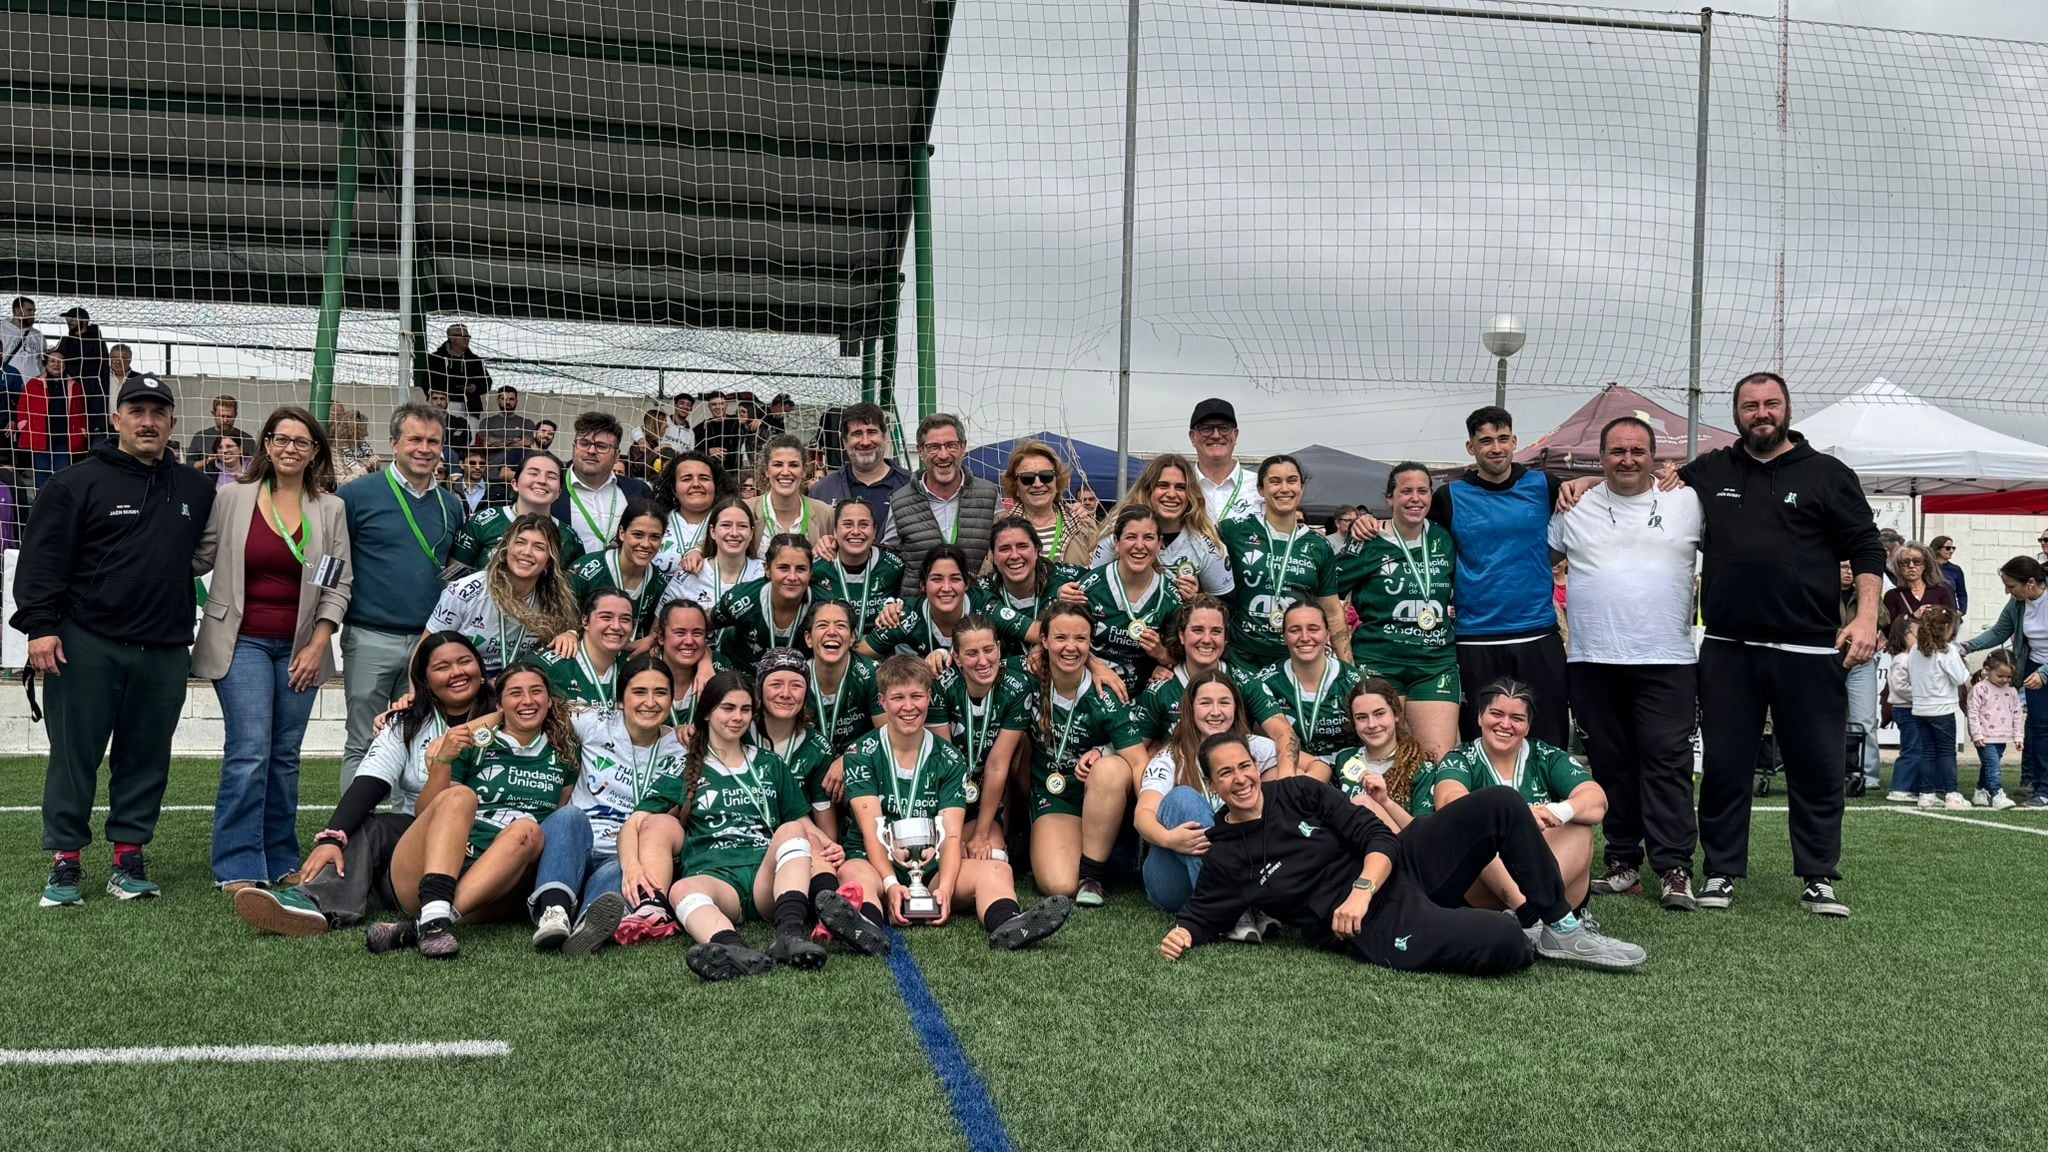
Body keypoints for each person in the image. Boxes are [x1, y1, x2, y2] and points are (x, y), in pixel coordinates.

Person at [1665, 372, 1882, 918]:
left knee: (1817, 766)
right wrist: (1577, 485)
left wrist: (1867, 618)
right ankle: (1720, 872)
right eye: (1750, 405)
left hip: (1808, 650)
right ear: (1736, 412)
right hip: (1728, 647)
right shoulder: (1709, 470)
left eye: (1770, 404)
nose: (1761, 413)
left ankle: (1818, 877)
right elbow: (1654, 481)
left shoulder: (1829, 475)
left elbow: (1866, 547)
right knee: (1726, 765)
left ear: (1787, 409)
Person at [1160, 733, 1646, 974]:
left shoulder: (1298, 792)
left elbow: (1379, 836)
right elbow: (1204, 913)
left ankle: (1561, 926)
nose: (1240, 778)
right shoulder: (1225, 853)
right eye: (1225, 774)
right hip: (1372, 926)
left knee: (1500, 803)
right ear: (1213, 784)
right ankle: (1517, 931)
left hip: (1394, 869)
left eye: (1244, 765)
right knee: (1507, 943)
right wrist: (1183, 934)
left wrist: (1362, 889)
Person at [14, 372, 215, 908]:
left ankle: (128, 858)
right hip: (87, 643)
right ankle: (66, 862)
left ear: (172, 422)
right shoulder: (74, 483)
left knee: (146, 757)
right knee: (74, 755)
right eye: (137, 411)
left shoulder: (197, 488)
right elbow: (41, 561)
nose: (148, 421)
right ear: (116, 418)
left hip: (166, 647)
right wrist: (40, 627)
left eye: (158, 412)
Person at [232, 633, 494, 937]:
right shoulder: (405, 723)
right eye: (442, 667)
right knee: (368, 827)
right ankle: (312, 902)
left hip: (494, 835)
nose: (457, 673)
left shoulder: (510, 713)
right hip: (422, 836)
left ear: (480, 666)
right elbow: (371, 781)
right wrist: (332, 838)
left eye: (465, 662)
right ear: (423, 678)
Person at [1545, 417, 1703, 910]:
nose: (1628, 459)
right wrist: (1581, 483)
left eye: (1638, 450)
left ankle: (1675, 867)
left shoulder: (1689, 501)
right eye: (1617, 451)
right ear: (1602, 456)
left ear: (1656, 456)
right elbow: (1540, 557)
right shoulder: (1574, 505)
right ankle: (1622, 864)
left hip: (1668, 660)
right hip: (1593, 659)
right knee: (1611, 768)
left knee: (1666, 764)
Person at [192, 407, 352, 892]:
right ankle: (239, 865)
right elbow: (200, 556)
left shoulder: (329, 509)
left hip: (302, 648)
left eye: (302, 442)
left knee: (284, 755)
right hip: (240, 643)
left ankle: (281, 856)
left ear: (315, 453)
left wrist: (319, 640)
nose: (289, 448)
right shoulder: (233, 498)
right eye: (281, 439)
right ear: (265, 445)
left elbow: (336, 580)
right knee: (250, 751)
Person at [814, 655, 1072, 954]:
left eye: (917, 696)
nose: (908, 707)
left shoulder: (949, 757)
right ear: (882, 701)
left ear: (929, 698)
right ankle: (865, 925)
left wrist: (945, 890)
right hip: (875, 860)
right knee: (853, 874)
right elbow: (872, 829)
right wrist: (889, 883)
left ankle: (1008, 924)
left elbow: (951, 833)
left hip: (932, 863)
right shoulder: (861, 752)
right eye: (898, 698)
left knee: (996, 871)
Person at [614, 670, 833, 979]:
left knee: (792, 830)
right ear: (706, 712)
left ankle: (789, 935)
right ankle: (732, 949)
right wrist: (632, 865)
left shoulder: (769, 764)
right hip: (716, 878)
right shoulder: (684, 765)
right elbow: (635, 823)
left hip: (765, 878)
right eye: (728, 708)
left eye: (745, 710)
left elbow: (801, 821)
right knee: (682, 888)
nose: (737, 717)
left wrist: (826, 843)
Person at [367, 660, 577, 958]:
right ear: (499, 703)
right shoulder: (474, 744)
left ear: (549, 699)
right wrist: (444, 761)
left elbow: (558, 819)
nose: (528, 701)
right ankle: (434, 910)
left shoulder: (564, 752)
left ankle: (430, 924)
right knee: (461, 796)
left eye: (536, 691)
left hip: (493, 886)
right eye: (515, 693)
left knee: (529, 829)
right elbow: (426, 811)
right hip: (430, 868)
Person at [338, 402, 462, 790]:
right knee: (364, 742)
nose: (424, 449)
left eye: (433, 441)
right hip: (371, 637)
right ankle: (354, 841)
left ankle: (402, 840)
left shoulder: (452, 505)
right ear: (393, 443)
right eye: (415, 440)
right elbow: (335, 562)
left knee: (416, 744)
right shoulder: (356, 496)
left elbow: (452, 572)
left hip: (428, 644)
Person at [529, 654, 685, 956]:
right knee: (568, 816)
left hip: (624, 851)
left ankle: (589, 926)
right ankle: (554, 914)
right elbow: (532, 709)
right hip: (576, 842)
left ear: (672, 699)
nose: (650, 702)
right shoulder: (594, 722)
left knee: (623, 870)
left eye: (660, 693)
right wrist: (471, 731)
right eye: (639, 692)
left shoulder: (681, 749)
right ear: (621, 700)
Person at [1430, 679, 1610, 916]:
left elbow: (1597, 801)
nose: (1505, 724)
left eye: (1517, 718)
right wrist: (1516, 818)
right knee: (1477, 828)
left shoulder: (1546, 755)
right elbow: (1448, 802)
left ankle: (1535, 910)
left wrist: (1558, 811)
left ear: (1528, 725)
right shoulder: (1460, 758)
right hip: (1486, 889)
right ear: (1479, 717)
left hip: (1552, 871)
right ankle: (1533, 912)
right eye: (1496, 714)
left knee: (1579, 827)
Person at [1027, 601, 1149, 906]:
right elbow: (980, 665)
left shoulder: (1108, 690)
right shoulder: (1025, 676)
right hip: (1055, 796)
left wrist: (1151, 825)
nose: (1071, 647)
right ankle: (1108, 855)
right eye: (1061, 638)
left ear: (1090, 643)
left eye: (1080, 639)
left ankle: (1094, 873)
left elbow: (1138, 762)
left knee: (1111, 768)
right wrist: (941, 656)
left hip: (1101, 794)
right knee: (1058, 884)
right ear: (1043, 640)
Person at [1336, 461, 1459, 759]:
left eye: (1422, 491)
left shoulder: (1443, 538)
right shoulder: (1368, 539)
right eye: (1406, 491)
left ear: (1431, 496)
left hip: (1434, 664)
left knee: (1436, 757)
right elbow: (1329, 591)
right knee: (1384, 757)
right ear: (1389, 497)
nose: (1415, 498)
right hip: (1380, 661)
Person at [1135, 670, 1277, 918]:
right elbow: (1143, 816)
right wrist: (1170, 839)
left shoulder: (1259, 749)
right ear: (1189, 709)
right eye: (1205, 703)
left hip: (1246, 863)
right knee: (1184, 798)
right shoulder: (1169, 757)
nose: (1215, 712)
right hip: (1175, 879)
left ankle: (1240, 904)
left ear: (1236, 707)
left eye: (1224, 702)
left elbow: (1313, 766)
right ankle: (1233, 909)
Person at [1130, 595, 1294, 767]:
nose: (1207, 639)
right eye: (1198, 630)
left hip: (1237, 781)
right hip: (1181, 781)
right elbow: (1136, 753)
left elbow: (1284, 734)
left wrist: (1287, 780)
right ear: (1182, 635)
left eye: (1216, 631)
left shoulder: (1245, 682)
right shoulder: (1160, 688)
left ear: (1225, 637)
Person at [1218, 454, 1346, 673]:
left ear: (1301, 488)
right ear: (1261, 489)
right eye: (1275, 481)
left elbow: (1333, 612)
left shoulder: (1318, 545)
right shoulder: (1233, 531)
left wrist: (1346, 668)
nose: (1284, 488)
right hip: (1243, 659)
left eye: (1292, 480)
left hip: (1296, 661)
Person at [928, 615, 1032, 862]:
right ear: (957, 657)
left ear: (998, 648)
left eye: (988, 650)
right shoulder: (941, 684)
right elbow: (946, 763)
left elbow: (997, 764)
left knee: (992, 856)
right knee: (951, 856)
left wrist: (981, 835)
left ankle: (1012, 831)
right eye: (972, 653)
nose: (983, 661)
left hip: (989, 789)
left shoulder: (1016, 687)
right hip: (944, 792)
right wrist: (953, 834)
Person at [426, 513, 579, 677]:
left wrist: (570, 634)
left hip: (515, 686)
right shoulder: (465, 591)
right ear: (505, 549)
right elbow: (426, 650)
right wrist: (414, 693)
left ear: (549, 561)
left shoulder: (552, 598)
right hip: (463, 681)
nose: (527, 552)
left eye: (539, 547)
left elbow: (568, 630)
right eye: (520, 542)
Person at [1961, 555, 2048, 808]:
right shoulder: (2017, 604)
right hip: (2033, 667)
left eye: (2011, 586)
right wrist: (1968, 646)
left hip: (2042, 672)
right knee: (2041, 730)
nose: (2007, 591)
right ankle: (2043, 789)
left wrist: (2044, 674)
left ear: (2031, 583)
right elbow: (2000, 631)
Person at [1091, 453, 1234, 598]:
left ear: (1191, 494)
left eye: (1180, 487)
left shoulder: (1205, 544)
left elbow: (1225, 603)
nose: (1171, 494)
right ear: (1148, 490)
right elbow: (1089, 589)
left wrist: (1197, 599)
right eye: (1163, 485)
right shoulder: (1117, 531)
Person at [1073, 507, 1185, 688]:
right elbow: (1067, 640)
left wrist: (1160, 652)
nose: (1139, 545)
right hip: (1091, 684)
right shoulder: (1090, 586)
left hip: (1143, 687)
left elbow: (1179, 657)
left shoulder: (1170, 598)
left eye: (1148, 538)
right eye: (1131, 537)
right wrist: (1096, 667)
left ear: (1159, 543)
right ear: (1116, 542)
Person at [886, 414, 1001, 586]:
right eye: (933, 447)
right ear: (921, 451)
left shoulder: (990, 495)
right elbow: (887, 561)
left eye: (951, 446)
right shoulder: (899, 502)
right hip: (919, 608)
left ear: (963, 448)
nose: (943, 454)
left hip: (977, 606)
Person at [1254, 603, 1363, 775]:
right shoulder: (1266, 683)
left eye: (1313, 629)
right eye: (1295, 630)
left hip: (1351, 773)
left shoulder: (1354, 682)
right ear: (1284, 636)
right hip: (1297, 774)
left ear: (1327, 634)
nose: (1305, 637)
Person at [448, 449, 583, 575]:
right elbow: (453, 580)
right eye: (533, 473)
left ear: (559, 492)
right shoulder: (481, 523)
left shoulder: (569, 537)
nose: (542, 481)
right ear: (515, 484)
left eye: (551, 477)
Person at [749, 647, 838, 832]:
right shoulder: (739, 733)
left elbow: (826, 825)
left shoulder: (817, 747)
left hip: (796, 844)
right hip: (743, 840)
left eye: (796, 685)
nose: (785, 693)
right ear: (759, 690)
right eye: (776, 684)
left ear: (806, 694)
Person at [1330, 678, 1437, 827]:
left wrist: (1385, 802)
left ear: (1395, 714)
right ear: (1353, 723)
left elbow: (1421, 834)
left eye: (1379, 714)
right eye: (1361, 717)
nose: (1372, 724)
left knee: (1363, 802)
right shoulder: (1344, 759)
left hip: (1400, 846)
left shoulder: (1422, 766)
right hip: (1351, 845)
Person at [977, 516, 1086, 656]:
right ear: (994, 557)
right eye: (1005, 549)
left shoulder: (1066, 578)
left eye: (1022, 546)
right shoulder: (981, 591)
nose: (1015, 555)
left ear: (1037, 550)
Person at [567, 498, 669, 642]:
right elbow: (561, 621)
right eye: (638, 535)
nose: (646, 544)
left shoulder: (660, 583)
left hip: (632, 659)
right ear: (622, 533)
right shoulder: (586, 571)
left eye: (654, 537)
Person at [711, 533, 816, 671]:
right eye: (783, 568)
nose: (792, 577)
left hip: (797, 683)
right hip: (742, 678)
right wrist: (705, 660)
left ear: (811, 573)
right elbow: (699, 626)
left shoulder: (824, 605)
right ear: (767, 569)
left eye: (801, 569)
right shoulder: (742, 599)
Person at [552, 411, 652, 555]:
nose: (591, 451)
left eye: (601, 446)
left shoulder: (639, 491)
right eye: (584, 443)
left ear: (617, 455)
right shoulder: (551, 489)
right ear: (574, 447)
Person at [807, 401, 913, 537]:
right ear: (845, 442)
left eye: (872, 432)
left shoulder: (911, 486)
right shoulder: (822, 491)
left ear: (885, 437)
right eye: (857, 434)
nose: (865, 442)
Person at [658, 496, 763, 625]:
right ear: (713, 531)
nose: (734, 533)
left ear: (751, 533)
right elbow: (659, 629)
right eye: (726, 525)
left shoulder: (763, 575)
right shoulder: (688, 575)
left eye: (742, 526)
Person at [860, 544, 973, 662]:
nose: (946, 588)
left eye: (955, 579)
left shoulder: (985, 606)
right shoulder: (906, 615)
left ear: (967, 584)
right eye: (937, 579)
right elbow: (859, 654)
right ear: (922, 585)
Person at [1907, 605, 1971, 812]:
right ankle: (1951, 793)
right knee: (1945, 752)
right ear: (1946, 628)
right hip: (1942, 709)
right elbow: (1961, 677)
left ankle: (1926, 794)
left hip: (1920, 708)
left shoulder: (1915, 651)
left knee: (1928, 752)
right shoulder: (1947, 651)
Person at [803, 599, 886, 757]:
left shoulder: (871, 674)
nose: (832, 632)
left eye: (841, 625)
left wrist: (849, 759)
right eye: (822, 625)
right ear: (808, 638)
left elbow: (887, 736)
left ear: (853, 637)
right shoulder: (796, 679)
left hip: (861, 762)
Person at [811, 497, 904, 635]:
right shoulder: (816, 569)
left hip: (879, 651)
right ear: (835, 531)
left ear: (874, 532)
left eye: (864, 525)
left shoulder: (894, 566)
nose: (855, 531)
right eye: (848, 525)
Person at [537, 588, 637, 711]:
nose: (616, 626)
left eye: (625, 619)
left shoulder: (634, 668)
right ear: (585, 621)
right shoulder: (550, 664)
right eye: (606, 617)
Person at [1000, 439, 1093, 566]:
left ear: (1057, 481)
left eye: (1046, 476)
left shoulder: (1083, 524)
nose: (1037, 484)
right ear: (1016, 487)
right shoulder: (999, 525)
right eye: (1027, 478)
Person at [753, 433, 836, 557]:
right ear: (766, 470)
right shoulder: (747, 511)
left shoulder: (825, 513)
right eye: (778, 465)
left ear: (803, 471)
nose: (785, 472)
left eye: (793, 465)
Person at [1842, 561, 1886, 792]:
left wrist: (1866, 597)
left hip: (1860, 661)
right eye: (1843, 567)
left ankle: (1868, 774)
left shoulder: (1866, 595)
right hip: (1825, 659)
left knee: (1864, 720)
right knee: (1821, 718)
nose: (1849, 572)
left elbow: (1885, 620)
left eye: (1852, 568)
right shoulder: (1819, 590)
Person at [651, 449, 729, 573]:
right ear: (674, 489)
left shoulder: (731, 524)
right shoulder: (656, 524)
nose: (696, 484)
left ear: (715, 485)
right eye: (687, 479)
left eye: (704, 478)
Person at [1187, 398, 1262, 523]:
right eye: (1206, 428)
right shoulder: (1181, 487)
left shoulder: (1260, 486)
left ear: (1235, 435)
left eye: (1224, 427)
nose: (1216, 435)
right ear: (1193, 437)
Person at [1966, 650, 2022, 810]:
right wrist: (1976, 734)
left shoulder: (2011, 691)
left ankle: (1980, 791)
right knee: (1993, 766)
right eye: (2000, 676)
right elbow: (1973, 712)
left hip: (2002, 737)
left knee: (1989, 765)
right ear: (1988, 670)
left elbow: (2017, 714)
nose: (2005, 680)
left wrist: (2018, 736)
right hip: (1985, 737)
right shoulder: (1980, 689)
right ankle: (1997, 794)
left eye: (2009, 677)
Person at [1882, 616, 1923, 804]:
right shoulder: (1901, 659)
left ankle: (1913, 787)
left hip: (1914, 709)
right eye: (1917, 633)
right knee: (1911, 749)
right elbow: (1898, 687)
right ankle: (1900, 787)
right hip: (1906, 709)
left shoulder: (1913, 658)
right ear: (1905, 635)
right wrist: (1922, 694)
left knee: (1918, 748)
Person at [427, 323, 492, 414]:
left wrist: (475, 388)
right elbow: (427, 382)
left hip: (470, 407)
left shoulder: (474, 360)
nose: (467, 339)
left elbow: (487, 382)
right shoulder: (437, 358)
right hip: (445, 406)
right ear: (452, 338)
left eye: (468, 336)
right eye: (463, 336)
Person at [1884, 541, 1956, 623]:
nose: (1911, 566)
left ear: (1925, 565)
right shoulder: (1892, 596)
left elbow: (1951, 622)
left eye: (1917, 561)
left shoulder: (1940, 591)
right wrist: (1913, 616)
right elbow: (1890, 629)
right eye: (1905, 562)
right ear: (1899, 567)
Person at [477, 385, 536, 477]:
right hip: (491, 473)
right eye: (503, 398)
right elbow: (487, 443)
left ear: (516, 401)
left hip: (516, 474)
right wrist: (516, 442)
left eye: (511, 399)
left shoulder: (527, 423)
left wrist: (498, 443)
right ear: (498, 400)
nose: (507, 402)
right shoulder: (487, 422)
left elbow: (527, 443)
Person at [185, 394, 256, 468]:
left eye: (229, 417)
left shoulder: (246, 439)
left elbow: (256, 466)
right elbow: (189, 465)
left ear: (235, 415)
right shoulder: (200, 437)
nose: (225, 420)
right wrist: (208, 461)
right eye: (221, 416)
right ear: (213, 414)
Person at [1931, 536, 1968, 617]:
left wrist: (1961, 610)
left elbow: (1962, 593)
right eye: (1948, 548)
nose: (1951, 551)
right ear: (1938, 549)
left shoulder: (1956, 570)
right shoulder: (1928, 568)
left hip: (1950, 614)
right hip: (1931, 613)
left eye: (1953, 548)